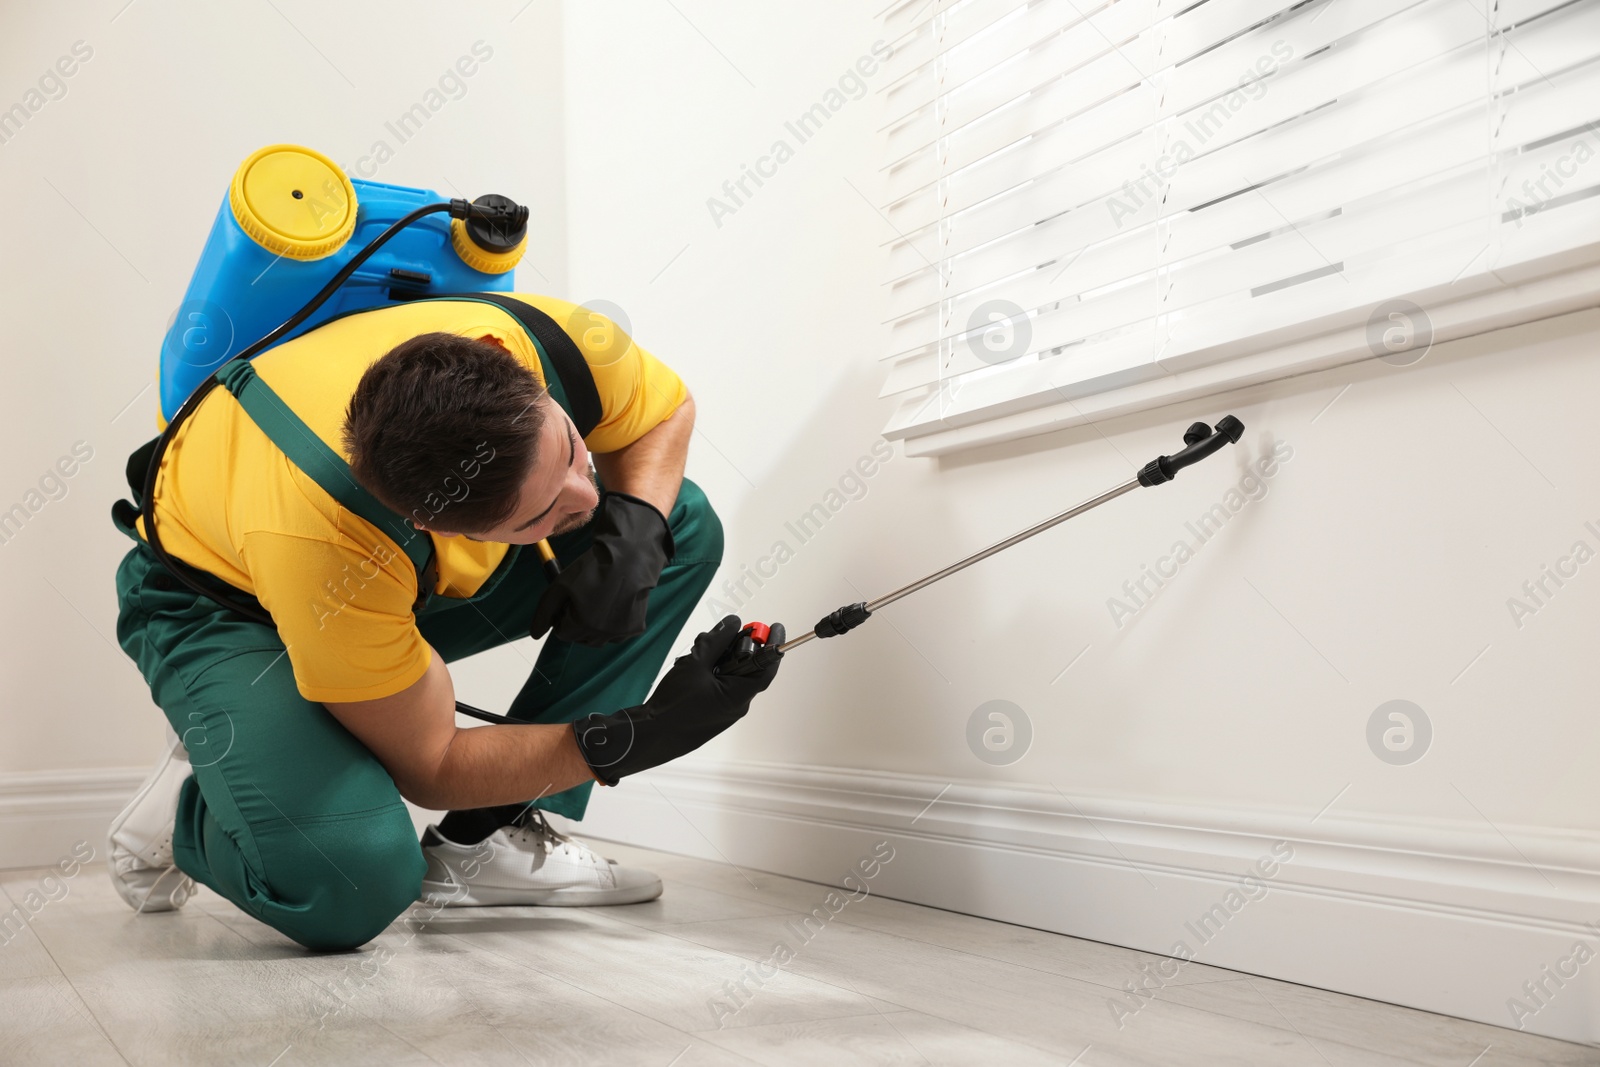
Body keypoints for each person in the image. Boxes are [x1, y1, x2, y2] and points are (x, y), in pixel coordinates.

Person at [104, 293, 784, 951]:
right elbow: (431, 763)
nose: (583, 495)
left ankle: (488, 836)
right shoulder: (332, 549)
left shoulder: (547, 340)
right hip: (221, 603)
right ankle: (197, 808)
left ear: (511, 369)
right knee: (351, 883)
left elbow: (665, 412)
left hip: (365, 569)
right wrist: (635, 737)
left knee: (678, 522)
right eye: (539, 516)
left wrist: (635, 534)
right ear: (429, 522)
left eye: (572, 447)